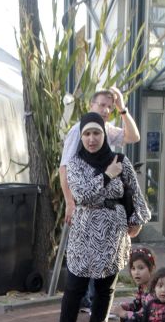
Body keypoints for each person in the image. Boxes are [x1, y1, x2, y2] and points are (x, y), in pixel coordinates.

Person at [56, 112, 150, 322]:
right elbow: (83, 195)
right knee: (74, 288)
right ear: (81, 137)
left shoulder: (120, 160)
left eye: (96, 133)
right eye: (87, 134)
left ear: (104, 135)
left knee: (105, 290)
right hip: (84, 233)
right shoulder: (75, 163)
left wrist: (137, 220)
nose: (91, 138)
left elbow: (135, 194)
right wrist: (107, 175)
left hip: (113, 234)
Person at [59, 87, 140, 226]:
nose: (106, 110)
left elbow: (133, 137)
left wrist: (122, 108)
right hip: (84, 206)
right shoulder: (78, 130)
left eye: (110, 107)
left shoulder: (107, 128)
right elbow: (64, 167)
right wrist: (69, 202)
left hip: (106, 210)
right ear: (91, 105)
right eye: (102, 105)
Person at [114, 246, 156, 322]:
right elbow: (137, 304)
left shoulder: (154, 289)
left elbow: (144, 314)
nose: (136, 272)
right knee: (127, 317)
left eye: (141, 268)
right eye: (133, 268)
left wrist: (124, 313)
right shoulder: (143, 286)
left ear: (152, 268)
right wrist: (124, 306)